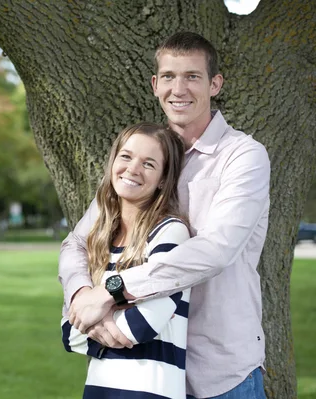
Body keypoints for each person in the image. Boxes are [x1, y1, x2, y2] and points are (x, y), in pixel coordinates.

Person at [59, 32, 270, 399]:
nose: (179, 88)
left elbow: (217, 249)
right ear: (156, 85)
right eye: (169, 76)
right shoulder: (140, 160)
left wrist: (112, 291)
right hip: (143, 364)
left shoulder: (243, 156)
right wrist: (81, 296)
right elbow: (78, 240)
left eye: (192, 76)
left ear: (214, 84)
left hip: (219, 371)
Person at [61, 122, 190, 398]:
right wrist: (117, 306)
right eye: (126, 156)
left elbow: (140, 326)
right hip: (100, 389)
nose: (133, 169)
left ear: (164, 180)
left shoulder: (171, 233)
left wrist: (98, 308)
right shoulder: (100, 239)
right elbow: (69, 333)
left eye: (149, 164)